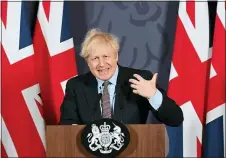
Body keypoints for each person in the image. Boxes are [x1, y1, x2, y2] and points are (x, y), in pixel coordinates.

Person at [59, 28, 183, 126]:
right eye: (95, 58)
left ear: (116, 56)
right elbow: (66, 126)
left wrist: (153, 95)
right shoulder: (76, 86)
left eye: (106, 56)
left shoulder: (139, 79)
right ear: (88, 61)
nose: (101, 64)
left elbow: (175, 119)